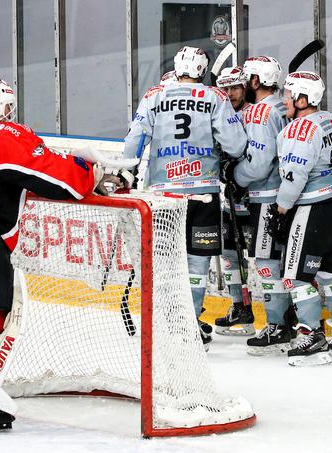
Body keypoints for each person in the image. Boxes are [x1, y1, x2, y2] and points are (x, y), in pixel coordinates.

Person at [0, 76, 131, 431]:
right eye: (8, 106)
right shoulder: (7, 136)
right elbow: (62, 180)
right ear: (1, 107)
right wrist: (91, 169)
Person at [122, 46, 248, 350]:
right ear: (202, 71)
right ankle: (189, 325)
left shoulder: (154, 95)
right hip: (203, 193)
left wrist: (126, 173)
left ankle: (168, 324)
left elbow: (134, 141)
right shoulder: (215, 97)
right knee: (197, 265)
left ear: (177, 68)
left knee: (164, 263)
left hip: (164, 196)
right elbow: (236, 144)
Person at [269, 70, 332, 366]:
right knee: (328, 273)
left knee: (296, 276)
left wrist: (281, 210)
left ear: (302, 98)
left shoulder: (298, 130)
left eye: (288, 94)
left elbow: (294, 179)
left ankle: (312, 337)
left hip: (309, 211)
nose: (285, 99)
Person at [215, 56, 297, 355]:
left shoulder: (262, 113)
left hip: (266, 196)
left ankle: (278, 326)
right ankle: (288, 319)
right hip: (281, 195)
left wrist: (235, 175)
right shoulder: (280, 106)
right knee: (276, 261)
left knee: (266, 264)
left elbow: (260, 164)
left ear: (253, 82)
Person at [213, 66, 255, 336]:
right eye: (225, 89)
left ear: (245, 88)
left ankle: (287, 317)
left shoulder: (255, 115)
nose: (230, 94)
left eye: (235, 88)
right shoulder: (217, 115)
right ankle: (240, 306)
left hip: (256, 199)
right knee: (230, 253)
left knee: (268, 259)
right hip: (230, 199)